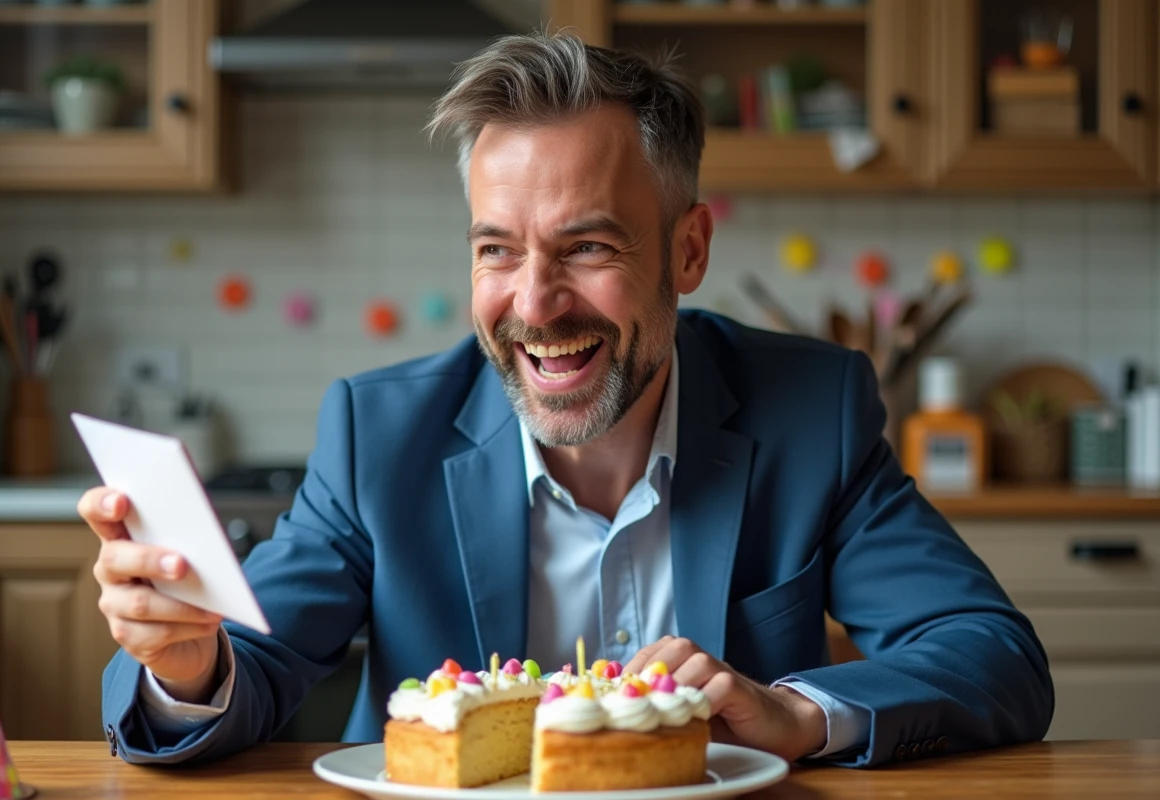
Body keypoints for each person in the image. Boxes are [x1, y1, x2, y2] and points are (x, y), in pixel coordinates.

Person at [80, 33, 1052, 767]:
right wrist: (184, 661)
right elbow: (238, 667)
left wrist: (801, 710)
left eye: (587, 247)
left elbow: (993, 652)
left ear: (688, 252)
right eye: (497, 248)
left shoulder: (812, 409)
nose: (534, 304)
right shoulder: (380, 436)